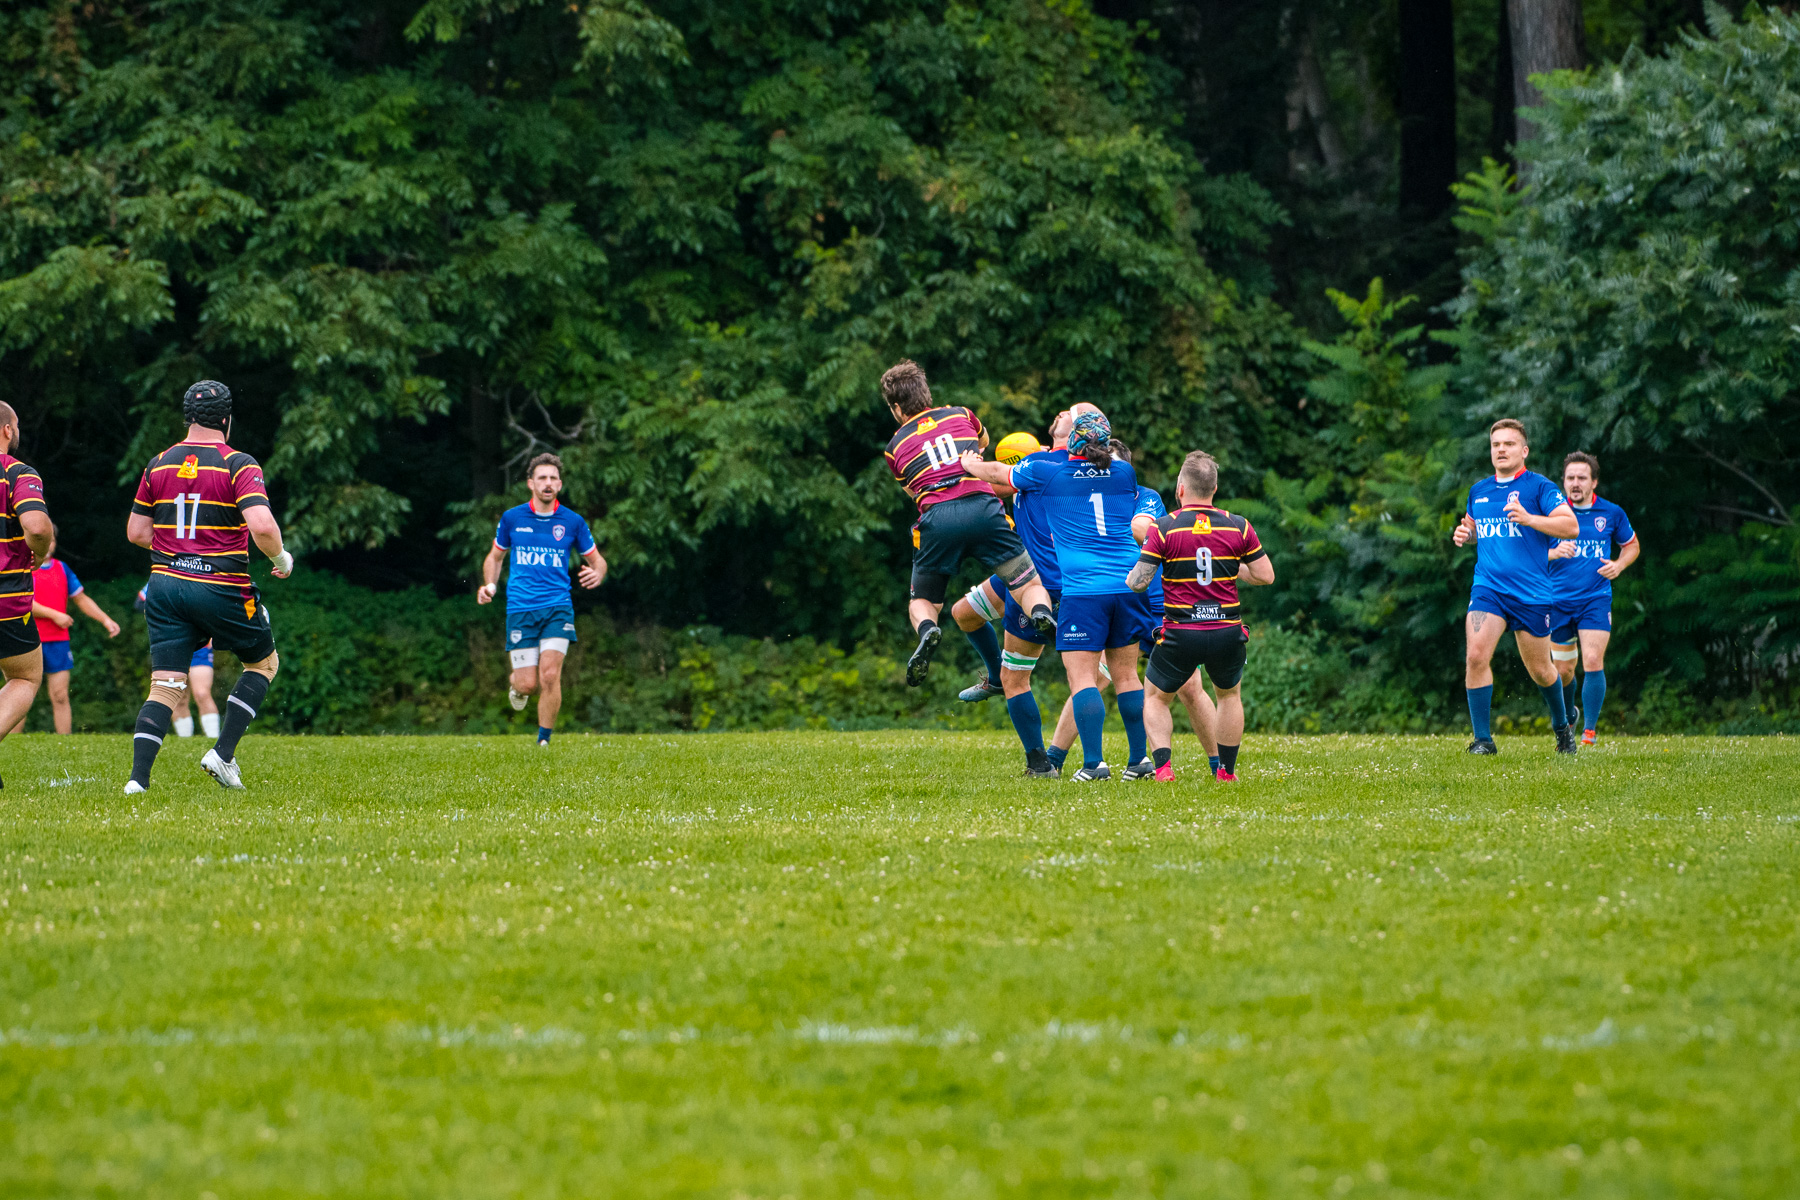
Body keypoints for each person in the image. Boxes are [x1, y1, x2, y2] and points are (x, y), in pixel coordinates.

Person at [124, 380, 293, 794]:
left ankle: (137, 782)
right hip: (220, 584)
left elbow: (136, 531)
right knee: (263, 664)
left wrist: (178, 549)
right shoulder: (238, 463)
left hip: (164, 585)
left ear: (188, 417)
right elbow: (263, 526)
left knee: (165, 683)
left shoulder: (158, 463)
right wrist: (281, 560)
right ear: (226, 419)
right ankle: (223, 753)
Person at [963, 410, 1150, 780]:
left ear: (1074, 444)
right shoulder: (1125, 474)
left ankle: (1094, 764)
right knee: (1127, 675)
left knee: (1081, 679)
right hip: (1128, 585)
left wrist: (971, 464)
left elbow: (1001, 475)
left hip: (1084, 589)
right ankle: (1140, 762)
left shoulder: (1051, 472)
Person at [1043, 440, 1221, 778]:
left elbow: (1143, 528)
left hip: (1159, 605)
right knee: (1094, 676)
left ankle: (1218, 764)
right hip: (1120, 598)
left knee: (1189, 685)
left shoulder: (1144, 495)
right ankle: (1055, 758)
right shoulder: (1085, 498)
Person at [882, 360, 1056, 690]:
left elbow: (914, 491)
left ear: (896, 407)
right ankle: (1040, 612)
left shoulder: (895, 447)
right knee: (1027, 583)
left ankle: (928, 630)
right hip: (983, 507)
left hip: (938, 519)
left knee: (924, 601)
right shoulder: (961, 415)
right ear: (927, 393)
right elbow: (982, 447)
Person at [1129, 450, 1273, 781]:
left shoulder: (1164, 528)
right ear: (1214, 488)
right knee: (1229, 695)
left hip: (1182, 633)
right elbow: (1265, 576)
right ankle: (1226, 771)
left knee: (1155, 697)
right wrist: (1232, 570)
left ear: (1180, 489)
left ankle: (1163, 767)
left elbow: (1138, 583)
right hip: (1227, 630)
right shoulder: (1239, 525)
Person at [1451, 418, 1581, 756]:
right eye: (1496, 444)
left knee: (1541, 671)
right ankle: (1483, 740)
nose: (1501, 450)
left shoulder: (1539, 488)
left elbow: (1570, 527)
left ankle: (1562, 728)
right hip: (1488, 588)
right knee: (1476, 654)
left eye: (1508, 444)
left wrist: (1529, 519)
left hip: (1532, 593)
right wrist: (1467, 534)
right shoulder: (1478, 491)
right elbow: (1480, 529)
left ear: (1524, 451)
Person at [946, 413, 1063, 776]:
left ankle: (1040, 765)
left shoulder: (1043, 465)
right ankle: (994, 676)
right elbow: (1003, 484)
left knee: (1018, 679)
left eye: (1066, 415)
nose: (1058, 415)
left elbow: (1001, 483)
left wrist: (966, 468)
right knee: (964, 613)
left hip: (1039, 578)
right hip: (1019, 570)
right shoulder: (1050, 461)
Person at [477, 453, 605, 747]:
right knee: (528, 683)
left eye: (553, 478)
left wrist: (598, 573)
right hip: (521, 608)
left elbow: (597, 560)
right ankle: (517, 687)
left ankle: (543, 742)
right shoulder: (513, 518)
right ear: (530, 483)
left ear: (559, 484)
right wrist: (489, 585)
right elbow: (496, 557)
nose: (547, 483)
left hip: (558, 607)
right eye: (542, 478)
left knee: (549, 674)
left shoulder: (572, 522)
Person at [1548, 451, 1640, 746]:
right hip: (1556, 600)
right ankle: (1569, 716)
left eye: (1581, 478)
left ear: (1594, 482)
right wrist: (1552, 552)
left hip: (1594, 599)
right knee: (1562, 672)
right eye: (1570, 478)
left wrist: (1619, 565)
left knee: (1592, 659)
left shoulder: (1611, 513)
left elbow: (1632, 546)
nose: (1575, 483)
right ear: (1563, 482)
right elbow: (1526, 553)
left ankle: (1589, 731)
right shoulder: (1550, 514)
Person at [0, 402, 54, 785]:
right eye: (15, 425)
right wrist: (42, 548)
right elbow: (35, 526)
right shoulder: (17, 473)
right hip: (6, 597)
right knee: (25, 678)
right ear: (6, 430)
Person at [24, 533, 121, 734]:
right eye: (44, 539)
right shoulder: (22, 569)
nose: (50, 544)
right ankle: (10, 742)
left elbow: (82, 599)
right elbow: (21, 601)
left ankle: (65, 743)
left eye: (52, 539)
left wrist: (106, 620)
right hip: (28, 639)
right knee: (22, 695)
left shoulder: (62, 568)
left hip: (58, 640)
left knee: (60, 695)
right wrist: (54, 615)